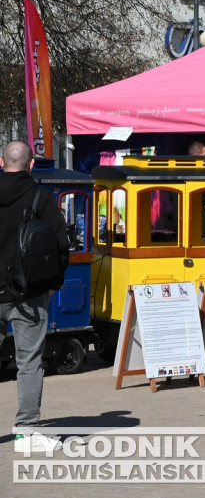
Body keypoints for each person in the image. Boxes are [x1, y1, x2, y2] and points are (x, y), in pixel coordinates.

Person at [0, 141, 68, 453]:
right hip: (29, 294)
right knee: (29, 362)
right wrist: (54, 283)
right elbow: (60, 244)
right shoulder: (41, 197)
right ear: (30, 165)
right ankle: (26, 431)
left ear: (2, 162)